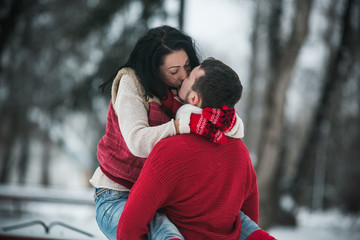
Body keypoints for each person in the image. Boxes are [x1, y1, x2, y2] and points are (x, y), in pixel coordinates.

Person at [90, 25, 263, 240]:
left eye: (187, 67)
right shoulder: (131, 84)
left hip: (164, 199)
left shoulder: (183, 88)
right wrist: (180, 125)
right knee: (161, 230)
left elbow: (211, 109)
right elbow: (137, 141)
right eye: (174, 71)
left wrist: (230, 124)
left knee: (229, 222)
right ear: (154, 68)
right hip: (119, 194)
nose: (183, 76)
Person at [117, 58, 276, 240]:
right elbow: (249, 213)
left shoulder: (170, 150)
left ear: (194, 99)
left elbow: (129, 227)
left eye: (190, 76)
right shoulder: (241, 151)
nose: (183, 77)